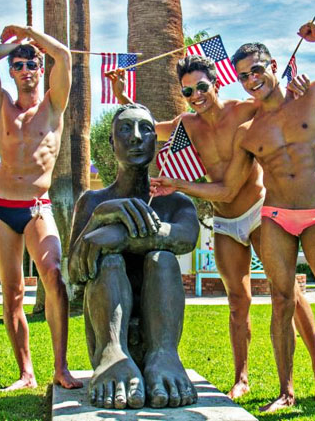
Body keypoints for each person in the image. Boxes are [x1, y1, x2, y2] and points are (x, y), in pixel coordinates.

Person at [152, 21, 315, 419]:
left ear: (274, 66)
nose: (251, 80)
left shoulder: (312, 95)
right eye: (244, 76)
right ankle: (285, 391)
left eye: (257, 70)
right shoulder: (248, 130)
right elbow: (225, 188)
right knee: (278, 300)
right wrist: (177, 184)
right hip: (273, 215)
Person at [110, 58, 315, 402]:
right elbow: (148, 127)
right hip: (224, 219)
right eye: (188, 91)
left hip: (259, 212)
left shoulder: (244, 110)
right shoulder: (187, 124)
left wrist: (296, 90)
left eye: (201, 86)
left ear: (216, 83)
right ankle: (241, 377)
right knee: (237, 301)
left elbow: (279, 104)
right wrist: (122, 95)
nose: (196, 95)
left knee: (287, 291)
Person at [69, 104, 199, 409]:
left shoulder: (176, 203)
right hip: (108, 335)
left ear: (155, 141)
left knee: (162, 259)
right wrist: (100, 216)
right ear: (112, 142)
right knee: (109, 261)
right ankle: (113, 354)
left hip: (161, 335)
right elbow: (74, 271)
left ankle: (164, 355)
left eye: (146, 129)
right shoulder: (94, 202)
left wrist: (120, 235)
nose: (136, 137)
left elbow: (186, 237)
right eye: (125, 129)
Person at [0, 25, 82, 391]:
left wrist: (30, 34)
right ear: (11, 71)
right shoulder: (1, 104)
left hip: (37, 207)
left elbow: (63, 56)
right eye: (18, 66)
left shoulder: (53, 105)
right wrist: (14, 46)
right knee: (13, 292)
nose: (24, 70)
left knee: (53, 276)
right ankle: (26, 373)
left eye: (31, 64)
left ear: (40, 68)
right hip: (1, 208)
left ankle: (60, 368)